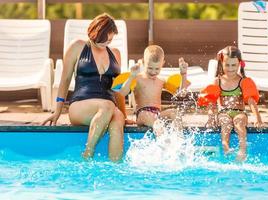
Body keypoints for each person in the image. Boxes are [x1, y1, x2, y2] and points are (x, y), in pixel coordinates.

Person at [42, 13, 125, 161]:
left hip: (109, 105)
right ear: (93, 33)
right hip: (80, 105)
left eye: (110, 40)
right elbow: (65, 79)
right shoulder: (77, 47)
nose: (106, 43)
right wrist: (57, 111)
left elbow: (117, 89)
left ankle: (115, 170)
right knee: (107, 106)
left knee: (118, 120)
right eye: (102, 41)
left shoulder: (115, 54)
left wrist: (124, 114)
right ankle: (88, 153)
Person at [197, 46, 263, 161]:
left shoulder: (243, 82)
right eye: (227, 65)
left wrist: (258, 118)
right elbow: (212, 102)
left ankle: (242, 150)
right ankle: (226, 147)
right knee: (225, 123)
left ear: (239, 64)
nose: (230, 68)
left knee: (239, 123)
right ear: (221, 63)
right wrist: (211, 117)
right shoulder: (217, 81)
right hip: (223, 113)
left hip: (239, 112)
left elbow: (251, 101)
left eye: (234, 65)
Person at [119, 45, 189, 134]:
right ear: (143, 62)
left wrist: (183, 74)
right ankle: (162, 144)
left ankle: (179, 140)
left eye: (157, 69)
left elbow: (181, 94)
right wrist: (131, 76)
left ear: (162, 64)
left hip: (157, 114)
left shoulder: (161, 80)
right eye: (150, 68)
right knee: (156, 122)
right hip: (143, 114)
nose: (153, 72)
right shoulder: (138, 78)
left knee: (175, 113)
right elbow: (122, 93)